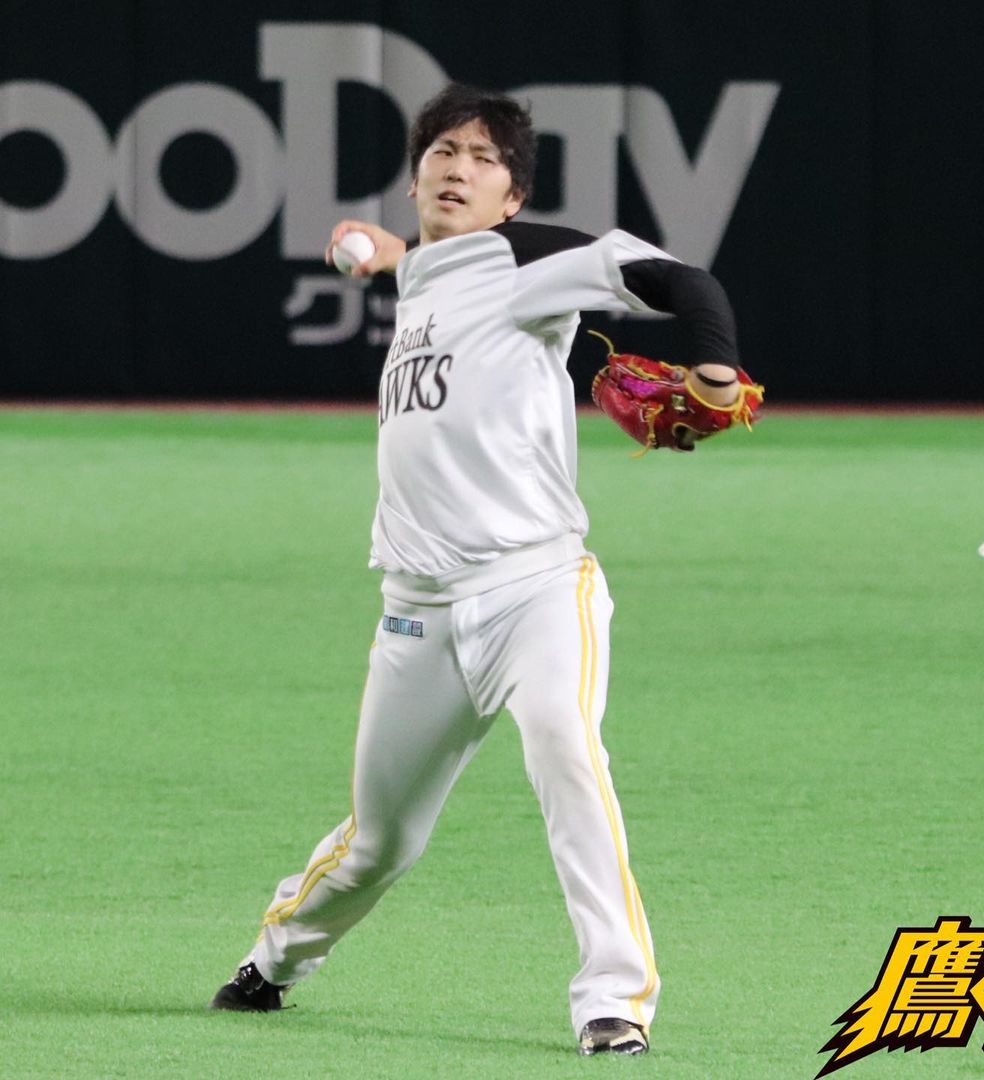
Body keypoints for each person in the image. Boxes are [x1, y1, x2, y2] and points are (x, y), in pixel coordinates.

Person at [210, 82, 743, 1056]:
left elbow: (685, 281)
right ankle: (276, 957)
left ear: (512, 197)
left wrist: (711, 365)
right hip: (417, 612)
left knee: (567, 750)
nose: (459, 168)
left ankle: (613, 1000)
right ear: (416, 180)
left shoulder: (527, 257)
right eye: (443, 153)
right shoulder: (427, 274)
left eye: (484, 158)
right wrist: (385, 254)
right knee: (380, 840)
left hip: (536, 588)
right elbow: (424, 266)